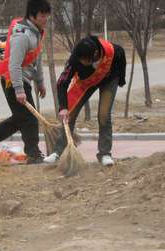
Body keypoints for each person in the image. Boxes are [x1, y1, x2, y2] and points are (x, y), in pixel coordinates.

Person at [0, 0, 50, 164]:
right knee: (27, 118)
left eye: (47, 15)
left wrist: (40, 82)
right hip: (13, 80)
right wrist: (19, 89)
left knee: (23, 118)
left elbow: (37, 57)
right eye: (42, 15)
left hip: (24, 80)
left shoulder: (36, 32)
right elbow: (14, 65)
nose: (45, 19)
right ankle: (32, 153)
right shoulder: (22, 35)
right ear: (32, 15)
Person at [44, 35, 126, 166]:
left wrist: (121, 79)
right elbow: (62, 83)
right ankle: (58, 152)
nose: (82, 63)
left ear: (95, 54)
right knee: (70, 114)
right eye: (80, 60)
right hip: (86, 82)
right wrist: (63, 107)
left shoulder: (111, 51)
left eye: (85, 61)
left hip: (109, 79)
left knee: (104, 115)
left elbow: (121, 55)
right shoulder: (75, 59)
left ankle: (104, 154)